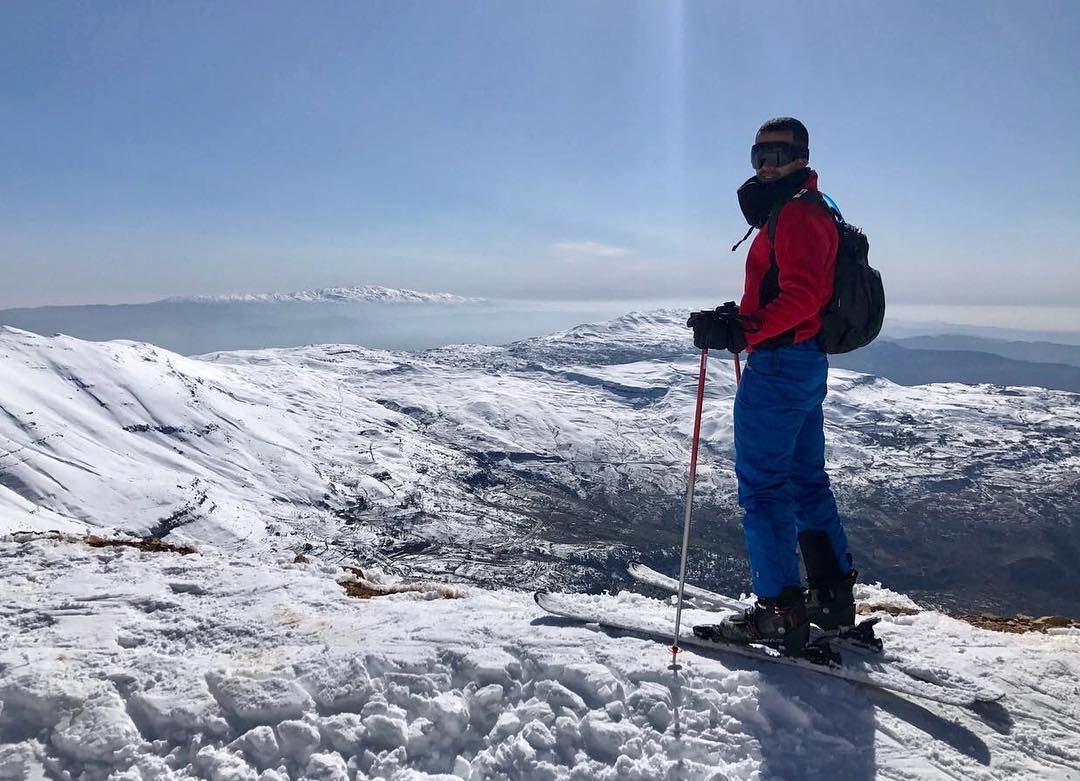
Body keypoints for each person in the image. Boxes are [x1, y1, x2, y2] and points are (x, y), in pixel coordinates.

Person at [689, 117, 857, 655]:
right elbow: (794, 293)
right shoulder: (806, 208)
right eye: (758, 154)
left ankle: (777, 611)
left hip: (781, 365)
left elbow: (805, 294)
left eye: (778, 154)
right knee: (807, 481)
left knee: (763, 488)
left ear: (801, 156)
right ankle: (830, 599)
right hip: (803, 361)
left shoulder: (798, 213)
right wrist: (741, 315)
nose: (766, 165)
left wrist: (746, 328)